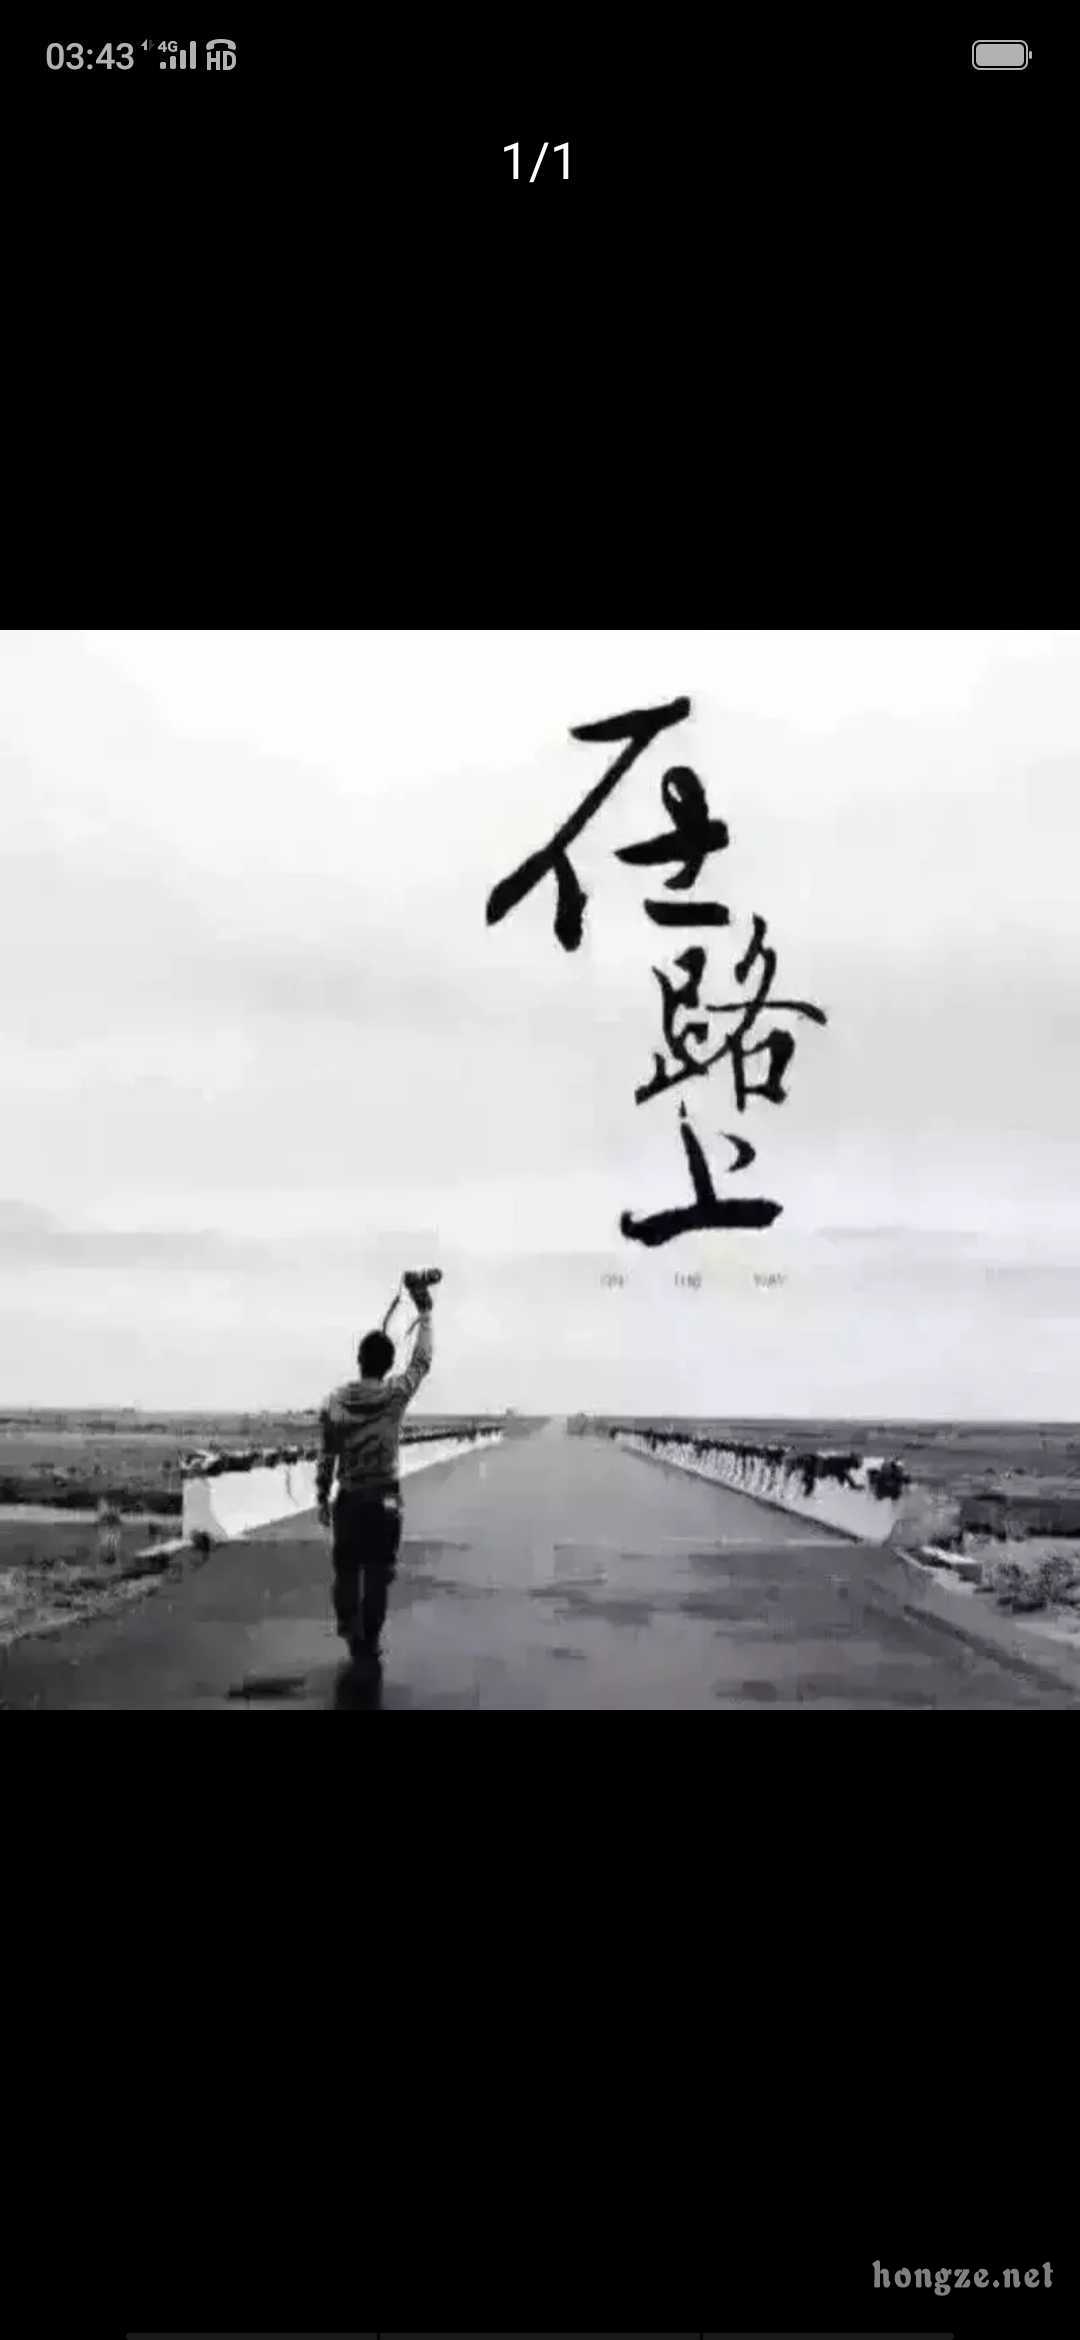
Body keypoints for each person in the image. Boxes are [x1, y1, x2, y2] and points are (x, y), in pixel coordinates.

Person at [316, 1279, 435, 1666]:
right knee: (379, 1572)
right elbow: (421, 1362)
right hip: (385, 1497)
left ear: (359, 1359)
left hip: (349, 1498)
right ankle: (370, 1640)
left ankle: (350, 1628)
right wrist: (425, 1313)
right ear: (387, 1364)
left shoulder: (334, 1401)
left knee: (347, 1570)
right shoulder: (394, 1395)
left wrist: (321, 1496)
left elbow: (327, 1455)